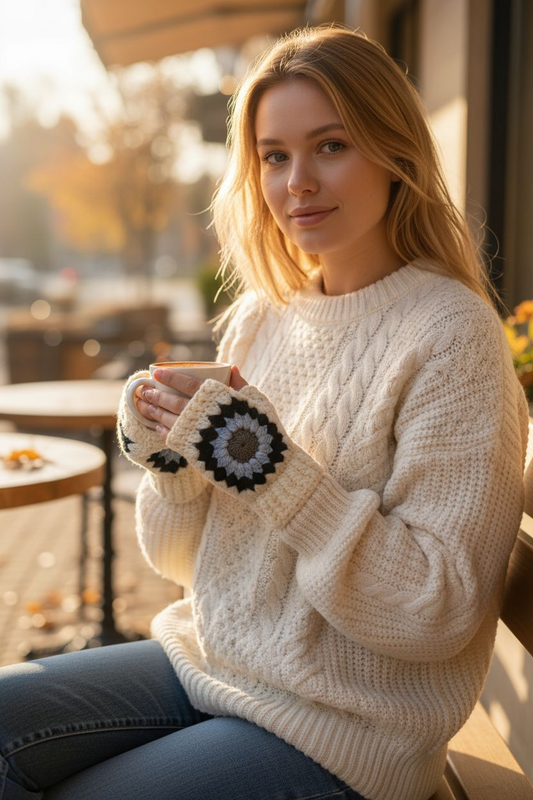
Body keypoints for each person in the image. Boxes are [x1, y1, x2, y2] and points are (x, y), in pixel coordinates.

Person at [0, 24, 529, 800]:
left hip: (347, 729)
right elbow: (179, 562)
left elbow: (436, 610)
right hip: (213, 661)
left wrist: (267, 468)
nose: (296, 183)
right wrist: (170, 458)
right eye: (274, 156)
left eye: (330, 146)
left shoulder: (451, 336)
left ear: (395, 154)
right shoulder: (261, 316)